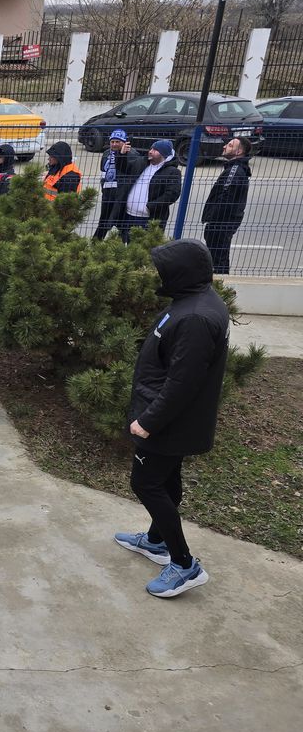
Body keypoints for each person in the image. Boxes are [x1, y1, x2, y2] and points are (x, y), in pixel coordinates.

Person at [114, 239, 229, 598]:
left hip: (169, 421)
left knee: (146, 484)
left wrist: (149, 421)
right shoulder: (192, 302)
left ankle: (183, 564)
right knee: (166, 480)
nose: (158, 275)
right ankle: (155, 541)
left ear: (182, 274)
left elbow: (183, 382)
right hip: (174, 420)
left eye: (164, 270)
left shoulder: (195, 316)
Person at [201, 136, 252, 275]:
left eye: (229, 145)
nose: (224, 146)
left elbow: (225, 197)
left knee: (218, 259)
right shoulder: (234, 168)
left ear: (238, 152)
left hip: (221, 223)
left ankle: (219, 287)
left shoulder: (235, 170)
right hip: (222, 222)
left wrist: (213, 220)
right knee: (217, 257)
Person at [120, 139, 182, 243]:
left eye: (155, 150)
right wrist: (121, 156)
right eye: (151, 148)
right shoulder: (142, 163)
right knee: (128, 245)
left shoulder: (172, 172)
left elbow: (172, 194)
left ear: (164, 154)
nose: (150, 151)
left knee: (145, 250)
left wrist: (150, 206)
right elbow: (124, 169)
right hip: (129, 215)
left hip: (149, 218)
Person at [93, 129, 130, 239]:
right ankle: (95, 243)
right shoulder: (106, 154)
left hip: (121, 196)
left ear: (124, 142)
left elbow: (127, 171)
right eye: (112, 141)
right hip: (107, 194)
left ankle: (122, 246)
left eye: (117, 142)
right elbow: (103, 172)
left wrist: (122, 155)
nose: (114, 144)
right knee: (103, 222)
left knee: (121, 224)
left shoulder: (131, 154)